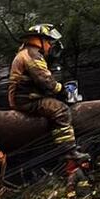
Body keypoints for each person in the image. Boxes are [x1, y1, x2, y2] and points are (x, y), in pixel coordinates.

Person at [8, 24, 88, 162]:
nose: (50, 45)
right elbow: (45, 81)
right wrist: (62, 91)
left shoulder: (26, 52)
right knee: (61, 110)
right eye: (48, 42)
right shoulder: (32, 55)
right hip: (27, 100)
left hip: (26, 96)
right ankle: (67, 150)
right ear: (39, 40)